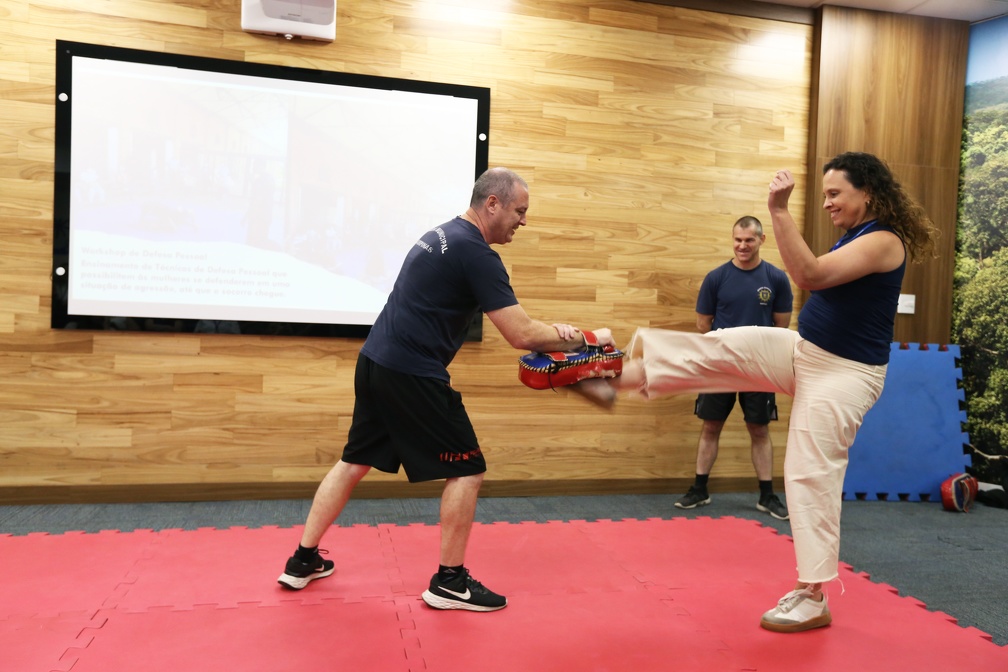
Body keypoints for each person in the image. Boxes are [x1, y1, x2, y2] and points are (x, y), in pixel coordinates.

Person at [588, 152, 936, 632]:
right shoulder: (856, 233)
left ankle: (812, 596)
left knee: (809, 470)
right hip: (806, 352)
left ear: (868, 192)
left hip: (846, 374)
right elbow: (815, 276)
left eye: (835, 193)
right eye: (826, 194)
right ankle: (611, 378)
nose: (829, 203)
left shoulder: (883, 241)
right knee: (724, 345)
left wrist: (777, 210)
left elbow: (809, 275)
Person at [277, 167, 614, 612]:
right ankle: (450, 582)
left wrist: (558, 336)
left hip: (375, 361)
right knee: (469, 469)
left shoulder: (441, 233)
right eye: (520, 211)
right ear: (492, 203)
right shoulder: (477, 253)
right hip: (411, 373)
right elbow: (522, 334)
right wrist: (590, 338)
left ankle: (302, 560)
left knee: (353, 461)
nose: (524, 221)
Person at [676, 216, 793, 520]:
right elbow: (703, 324)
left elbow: (782, 325)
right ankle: (699, 489)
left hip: (759, 367)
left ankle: (767, 496)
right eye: (738, 240)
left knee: (759, 429)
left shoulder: (776, 279)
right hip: (720, 365)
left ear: (761, 240)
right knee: (711, 425)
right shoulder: (716, 278)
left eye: (749, 240)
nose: (742, 246)